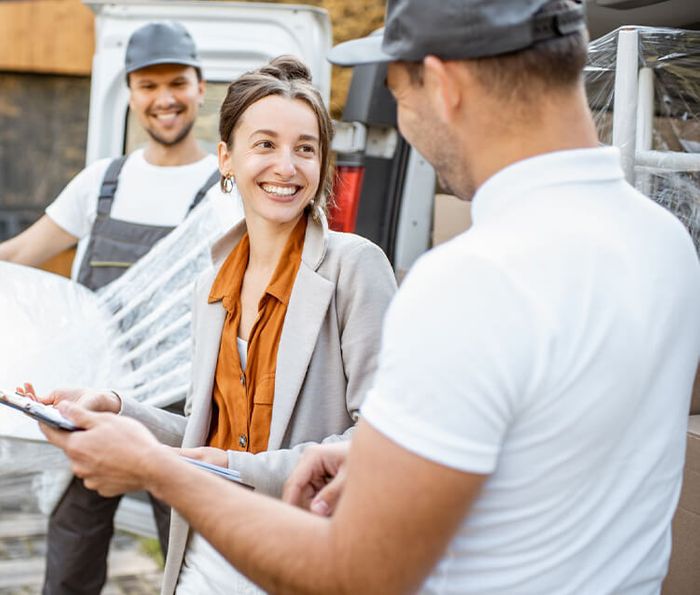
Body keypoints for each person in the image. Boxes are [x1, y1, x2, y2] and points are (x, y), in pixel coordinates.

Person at [43, 0, 700, 593]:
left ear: (441, 85)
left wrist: (157, 469)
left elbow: (357, 571)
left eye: (394, 90)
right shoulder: (667, 244)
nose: (402, 121)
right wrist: (369, 450)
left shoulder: (470, 280)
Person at [37, 55, 396, 594]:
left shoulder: (354, 266)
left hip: (301, 558)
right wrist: (114, 405)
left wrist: (227, 466)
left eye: (306, 148)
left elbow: (381, 443)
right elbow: (206, 439)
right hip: (202, 560)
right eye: (265, 144)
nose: (287, 166)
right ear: (226, 158)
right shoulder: (212, 284)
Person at [4, 21, 244, 595]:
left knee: (189, 567)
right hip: (89, 406)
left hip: (184, 413)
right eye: (148, 85)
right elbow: (18, 256)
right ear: (130, 93)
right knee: (69, 562)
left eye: (177, 83)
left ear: (200, 86)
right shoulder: (101, 183)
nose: (164, 99)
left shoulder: (226, 190)